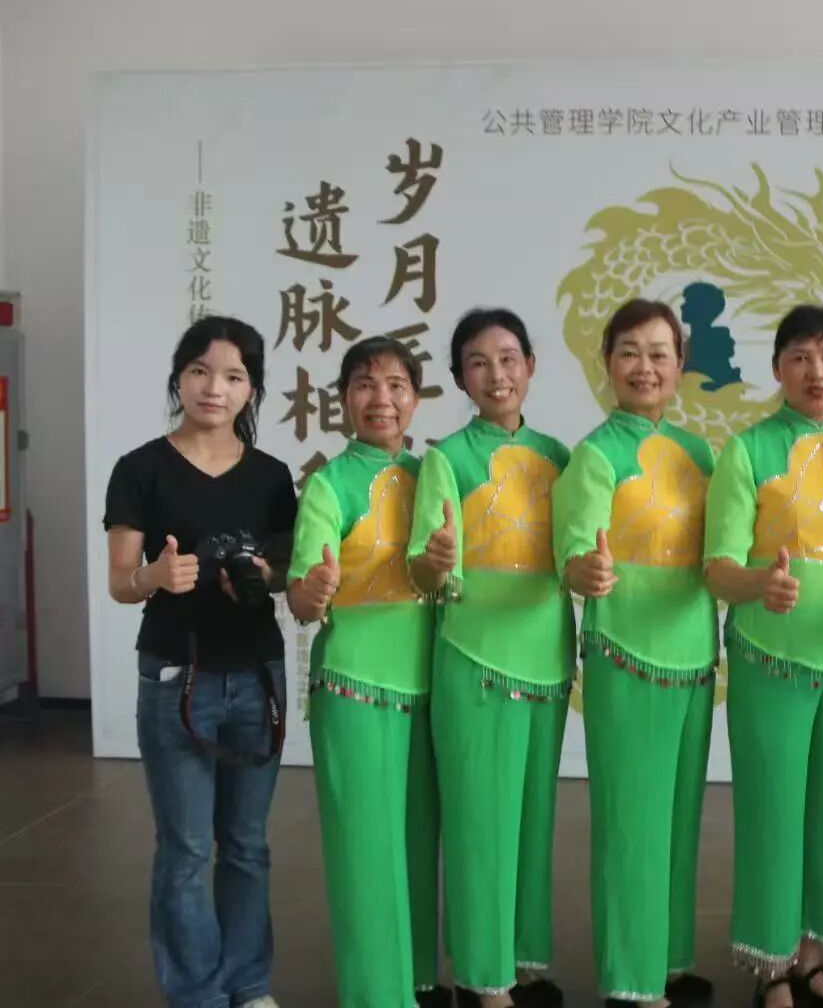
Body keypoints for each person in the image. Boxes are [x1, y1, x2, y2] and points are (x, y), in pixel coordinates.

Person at [703, 304, 823, 1008]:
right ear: (777, 370)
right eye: (801, 358)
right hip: (771, 658)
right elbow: (717, 568)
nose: (818, 372)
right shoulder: (748, 451)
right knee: (773, 812)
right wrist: (760, 584)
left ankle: (812, 958)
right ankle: (772, 966)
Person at [104, 316, 297, 1008]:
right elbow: (120, 582)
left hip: (258, 674)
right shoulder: (140, 469)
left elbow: (286, 572)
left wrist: (263, 577)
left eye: (234, 376)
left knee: (246, 844)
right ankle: (196, 994)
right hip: (174, 674)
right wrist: (155, 577)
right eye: (200, 372)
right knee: (186, 848)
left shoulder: (272, 477)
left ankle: (248, 984)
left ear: (251, 390)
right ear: (179, 378)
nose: (215, 388)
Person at [551, 300, 719, 1008]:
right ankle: (630, 978)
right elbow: (573, 547)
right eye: (629, 352)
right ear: (606, 364)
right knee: (631, 822)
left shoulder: (701, 454)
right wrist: (585, 571)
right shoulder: (595, 455)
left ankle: (669, 959)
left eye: (659, 353)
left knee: (678, 817)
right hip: (626, 653)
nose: (644, 367)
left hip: (693, 653)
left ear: (680, 364)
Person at [407, 309, 573, 1008]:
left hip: (548, 656)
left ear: (530, 366)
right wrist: (438, 559)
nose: (496, 374)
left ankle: (519, 957)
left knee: (532, 819)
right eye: (478, 362)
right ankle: (483, 976)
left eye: (508, 358)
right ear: (459, 379)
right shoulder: (446, 460)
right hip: (474, 658)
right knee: (481, 822)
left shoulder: (560, 457)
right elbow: (423, 570)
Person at [286, 337, 448, 1008]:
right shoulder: (330, 485)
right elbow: (301, 597)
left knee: (416, 846)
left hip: (431, 688)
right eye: (364, 385)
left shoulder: (433, 475)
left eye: (396, 385)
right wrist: (316, 589)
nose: (381, 399)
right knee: (365, 854)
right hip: (354, 687)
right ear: (344, 400)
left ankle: (416, 980)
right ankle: (375, 996)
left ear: (415, 397)